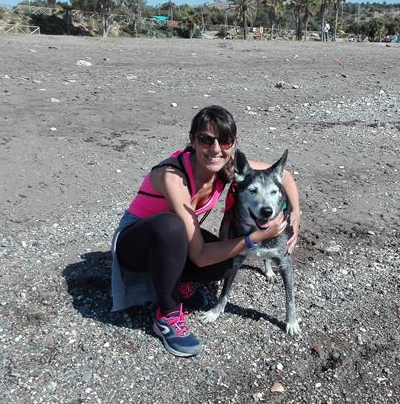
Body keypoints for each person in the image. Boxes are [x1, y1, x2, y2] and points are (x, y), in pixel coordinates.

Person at [110, 105, 301, 357]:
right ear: (192, 140)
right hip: (134, 245)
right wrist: (257, 237)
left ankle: (180, 282)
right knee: (171, 225)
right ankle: (167, 314)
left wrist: (296, 213)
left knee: (222, 263)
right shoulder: (173, 175)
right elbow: (199, 254)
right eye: (206, 140)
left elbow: (282, 175)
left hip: (175, 241)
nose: (215, 149)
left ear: (233, 143)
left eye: (224, 140)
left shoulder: (227, 167)